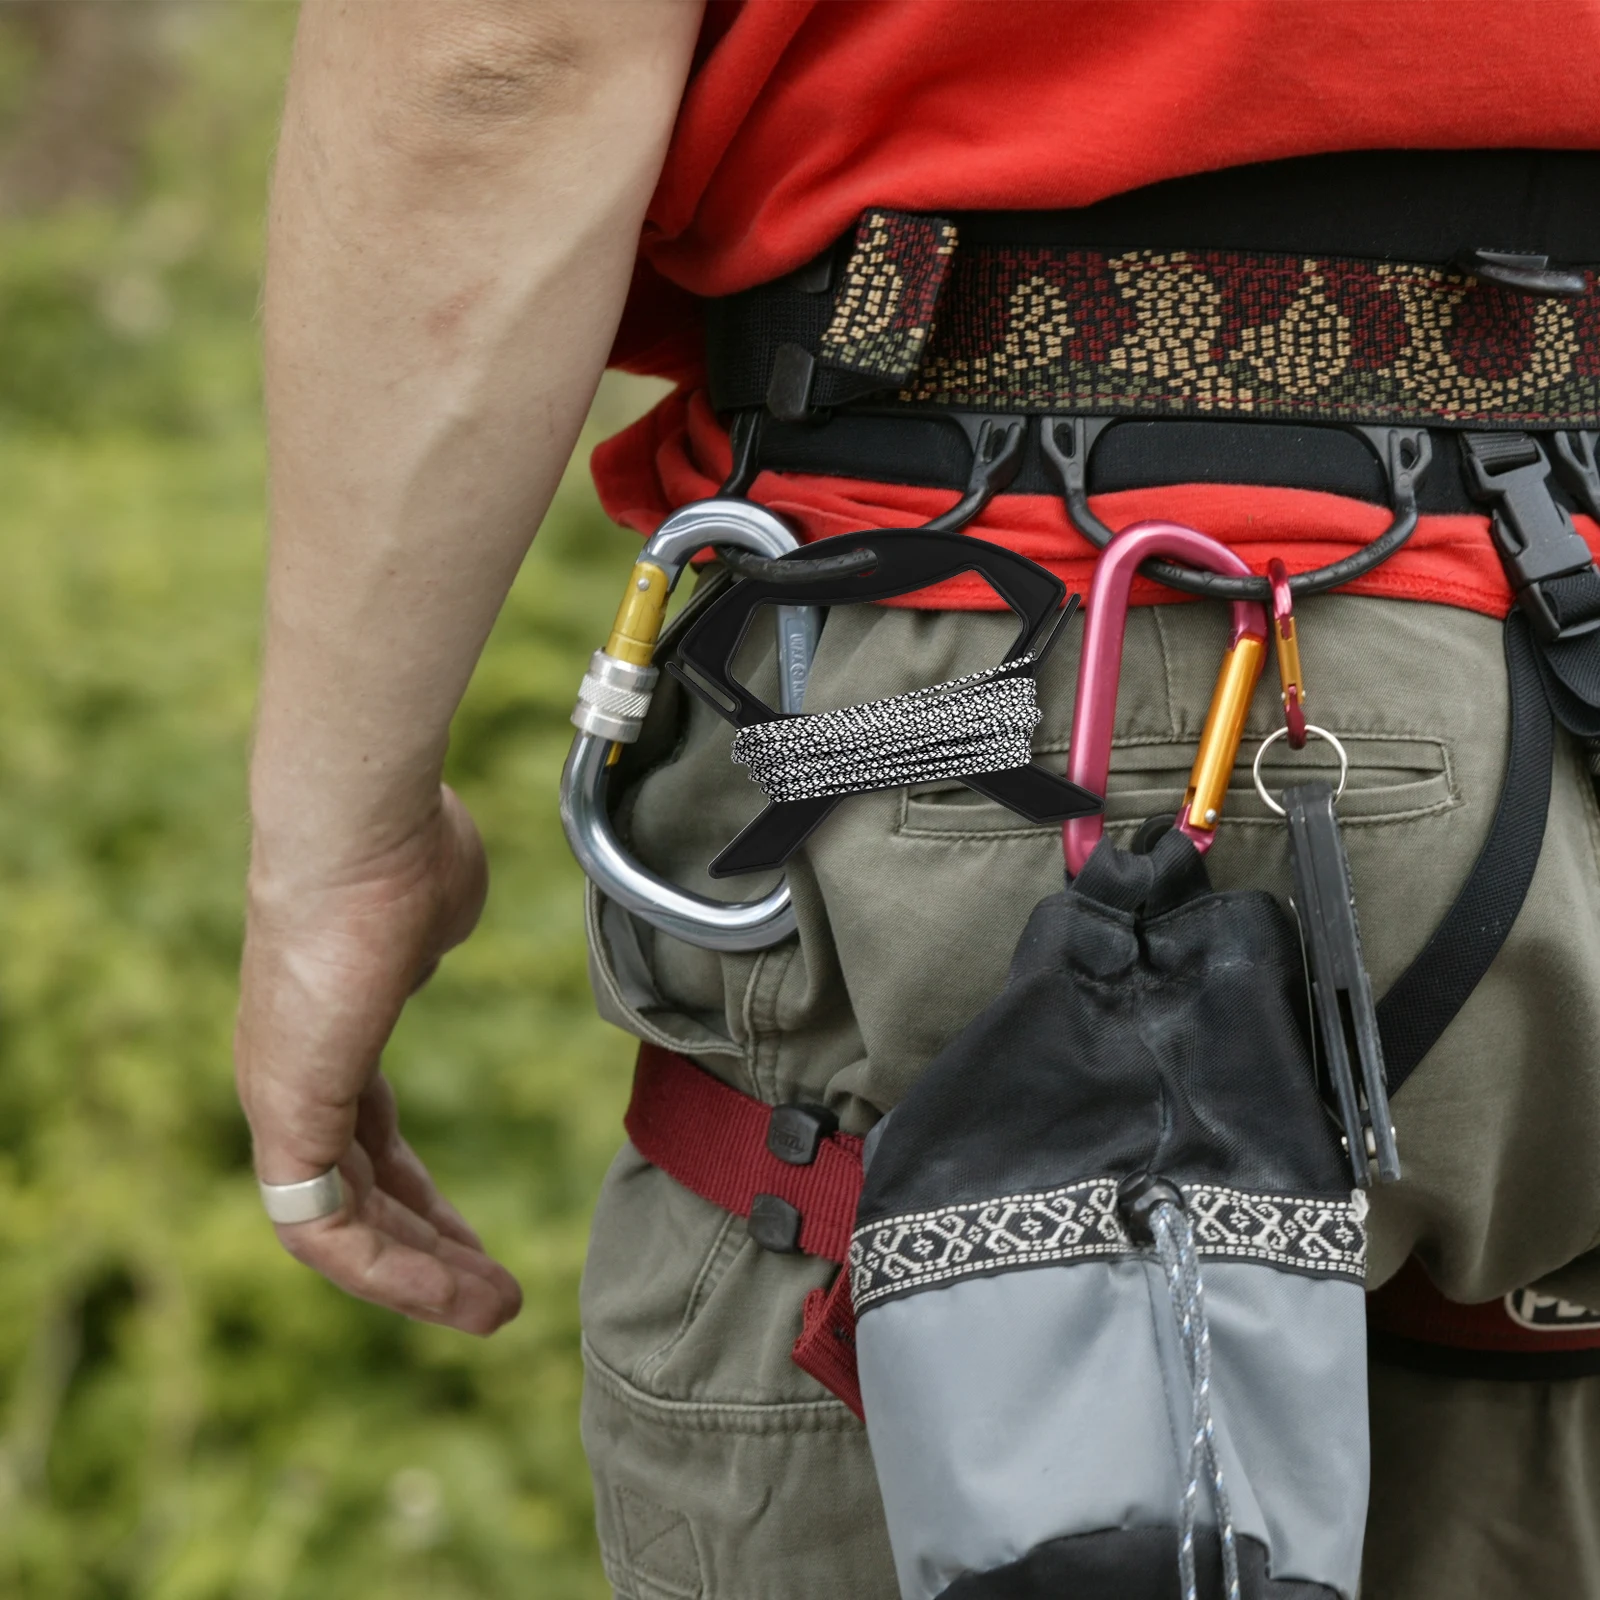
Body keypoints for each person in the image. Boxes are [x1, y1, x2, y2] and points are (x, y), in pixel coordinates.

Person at [238, 3, 1600, 1597]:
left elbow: (502, 50)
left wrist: (338, 858)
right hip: (1547, 678)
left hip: (985, 668)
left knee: (868, 1280)